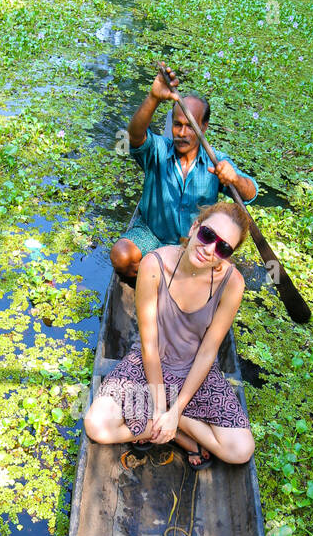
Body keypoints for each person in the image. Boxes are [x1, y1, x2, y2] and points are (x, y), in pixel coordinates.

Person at [86, 201, 255, 469]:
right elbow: (149, 345)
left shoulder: (232, 283)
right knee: (97, 426)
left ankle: (175, 425)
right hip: (148, 365)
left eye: (223, 247)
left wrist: (175, 411)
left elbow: (209, 351)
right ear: (195, 227)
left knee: (241, 450)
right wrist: (159, 404)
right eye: (208, 235)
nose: (210, 249)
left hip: (195, 373)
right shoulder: (154, 264)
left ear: (228, 255)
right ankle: (177, 435)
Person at [111, 64, 257, 282]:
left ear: (204, 127)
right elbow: (133, 137)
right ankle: (151, 282)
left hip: (193, 244)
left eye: (190, 126)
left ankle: (169, 279)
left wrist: (234, 179)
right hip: (151, 233)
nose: (181, 133)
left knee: (223, 280)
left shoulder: (216, 162)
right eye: (177, 125)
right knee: (121, 256)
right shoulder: (158, 150)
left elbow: (250, 193)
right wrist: (153, 97)